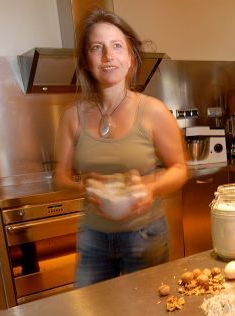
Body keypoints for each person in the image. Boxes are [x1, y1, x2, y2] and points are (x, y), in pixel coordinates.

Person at [54, 7, 188, 287]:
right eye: (96, 48)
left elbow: (179, 169)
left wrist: (151, 188)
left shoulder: (153, 111)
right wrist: (84, 187)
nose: (107, 56)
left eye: (117, 46)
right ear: (88, 62)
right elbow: (60, 178)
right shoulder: (71, 117)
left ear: (130, 58)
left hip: (145, 235)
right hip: (93, 237)